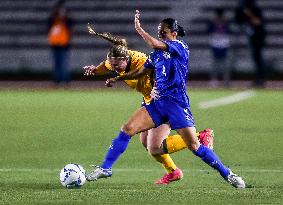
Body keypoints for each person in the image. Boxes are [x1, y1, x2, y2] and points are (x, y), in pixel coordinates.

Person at [86, 10, 245, 188]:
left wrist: (139, 29)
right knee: (128, 129)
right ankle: (106, 168)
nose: (160, 34)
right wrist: (117, 78)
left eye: (164, 32)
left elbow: (153, 44)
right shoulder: (156, 55)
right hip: (156, 103)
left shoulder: (180, 47)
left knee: (195, 147)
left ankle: (228, 174)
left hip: (176, 104)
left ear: (174, 34)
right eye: (159, 32)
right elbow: (141, 71)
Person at [235, 0, 266, 87]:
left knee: (258, 58)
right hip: (252, 38)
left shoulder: (256, 10)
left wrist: (249, 14)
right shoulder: (243, 11)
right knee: (256, 58)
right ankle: (258, 78)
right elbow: (238, 20)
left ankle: (260, 78)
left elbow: (258, 22)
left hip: (259, 38)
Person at [47, 0, 73, 85]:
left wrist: (64, 16)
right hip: (55, 44)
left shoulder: (66, 21)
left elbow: (70, 23)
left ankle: (65, 80)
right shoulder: (53, 20)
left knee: (64, 64)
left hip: (64, 45)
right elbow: (49, 24)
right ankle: (57, 80)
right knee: (57, 64)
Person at [207, 8, 231, 87]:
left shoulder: (226, 22)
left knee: (225, 63)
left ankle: (226, 80)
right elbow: (208, 31)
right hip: (215, 43)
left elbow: (230, 31)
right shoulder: (212, 22)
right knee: (215, 63)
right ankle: (214, 79)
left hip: (224, 43)